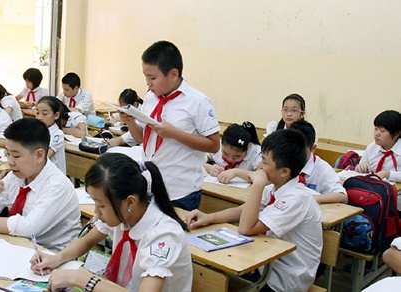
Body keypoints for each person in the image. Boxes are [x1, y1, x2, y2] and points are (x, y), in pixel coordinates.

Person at [30, 153, 193, 292]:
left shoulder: (163, 235)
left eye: (101, 205)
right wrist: (55, 259)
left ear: (130, 202)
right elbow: (86, 241)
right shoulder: (123, 214)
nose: (96, 212)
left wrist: (83, 279)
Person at [186, 129, 323, 292]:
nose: (259, 166)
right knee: (210, 270)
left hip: (285, 280)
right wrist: (208, 218)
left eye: (265, 163)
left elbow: (246, 228)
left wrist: (257, 184)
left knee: (216, 275)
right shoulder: (275, 186)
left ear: (284, 171)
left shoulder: (296, 198)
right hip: (266, 263)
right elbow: (243, 210)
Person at [0, 118, 81, 252]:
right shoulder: (17, 175)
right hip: (18, 245)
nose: (10, 162)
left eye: (16, 156)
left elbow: (28, 227)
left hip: (51, 255)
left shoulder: (57, 185)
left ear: (39, 155)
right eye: (7, 154)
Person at [123, 40, 220, 211]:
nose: (148, 83)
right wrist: (130, 121)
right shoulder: (151, 98)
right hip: (149, 184)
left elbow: (213, 145)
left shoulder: (197, 102)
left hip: (180, 191)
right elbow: (142, 138)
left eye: (153, 77)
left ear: (173, 74)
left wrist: (174, 133)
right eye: (145, 76)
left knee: (174, 236)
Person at [290, 120, 348, 204]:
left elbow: (342, 197)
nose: (294, 153)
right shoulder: (281, 162)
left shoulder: (322, 168)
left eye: (300, 150)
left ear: (313, 148)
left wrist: (310, 199)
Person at [355, 110, 401, 210]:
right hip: (372, 193)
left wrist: (388, 174)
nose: (377, 134)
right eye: (376, 129)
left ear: (397, 134)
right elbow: (363, 164)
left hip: (396, 198)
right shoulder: (372, 147)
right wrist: (361, 166)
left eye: (382, 131)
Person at [35, 96, 66, 175]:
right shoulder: (36, 130)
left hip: (53, 178)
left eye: (45, 114)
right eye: (37, 112)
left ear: (56, 115)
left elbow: (44, 158)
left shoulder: (58, 134)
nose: (39, 117)